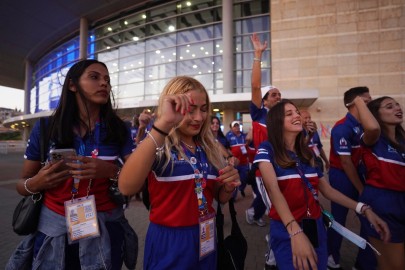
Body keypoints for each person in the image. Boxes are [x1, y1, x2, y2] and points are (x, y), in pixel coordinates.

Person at [7, 59, 136, 269]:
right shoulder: (46, 127)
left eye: (107, 80)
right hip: (53, 231)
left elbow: (136, 182)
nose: (104, 83)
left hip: (106, 228)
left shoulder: (119, 129)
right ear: (72, 85)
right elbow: (22, 184)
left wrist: (112, 171)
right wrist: (37, 182)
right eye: (94, 77)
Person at [118, 75, 240, 269]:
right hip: (169, 240)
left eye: (203, 109)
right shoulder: (158, 145)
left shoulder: (208, 147)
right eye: (190, 110)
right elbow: (126, 186)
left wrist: (228, 186)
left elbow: (219, 196)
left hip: (206, 236)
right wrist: (164, 123)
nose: (199, 117)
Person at [253, 99, 390, 270]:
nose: (297, 116)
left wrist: (362, 208)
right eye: (289, 114)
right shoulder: (267, 150)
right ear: (276, 122)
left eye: (296, 112)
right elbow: (274, 191)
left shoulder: (307, 153)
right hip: (287, 227)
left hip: (316, 225)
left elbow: (328, 190)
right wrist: (294, 231)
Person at [327, 86, 376, 270]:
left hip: (358, 176)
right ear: (354, 103)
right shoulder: (342, 128)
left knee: (368, 219)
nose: (371, 103)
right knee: (338, 220)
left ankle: (363, 263)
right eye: (367, 100)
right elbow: (346, 163)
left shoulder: (366, 125)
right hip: (342, 178)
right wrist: (362, 189)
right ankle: (332, 257)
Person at [359, 96, 405, 270]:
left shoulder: (402, 141)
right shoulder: (373, 138)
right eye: (389, 106)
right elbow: (371, 126)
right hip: (382, 204)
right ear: (375, 115)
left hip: (401, 201)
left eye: (397, 105)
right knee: (394, 265)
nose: (397, 108)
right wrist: (358, 101)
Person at [249, 32, 281, 269]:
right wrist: (258, 56)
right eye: (273, 94)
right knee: (277, 212)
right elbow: (255, 85)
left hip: (284, 171)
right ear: (265, 101)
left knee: (282, 211)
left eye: (279, 94)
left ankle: (278, 241)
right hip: (263, 172)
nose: (277, 97)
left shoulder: (284, 119)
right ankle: (272, 253)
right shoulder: (259, 115)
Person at [226, 120, 250, 199]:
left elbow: (248, 142)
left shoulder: (244, 135)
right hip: (234, 163)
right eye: (235, 126)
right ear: (231, 128)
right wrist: (230, 156)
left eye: (238, 126)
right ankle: (233, 197)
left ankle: (242, 188)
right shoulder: (228, 136)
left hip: (243, 162)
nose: (237, 127)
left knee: (244, 178)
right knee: (234, 180)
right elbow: (226, 148)